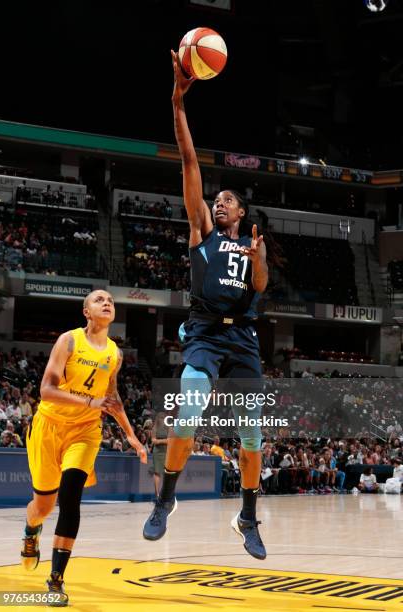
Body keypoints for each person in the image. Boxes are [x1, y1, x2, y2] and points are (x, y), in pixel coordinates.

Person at [142, 51, 269, 559]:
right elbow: (190, 162)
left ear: (243, 211)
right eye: (216, 199)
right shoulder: (203, 233)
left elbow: (260, 285)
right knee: (189, 407)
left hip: (244, 336)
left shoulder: (254, 245)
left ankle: (249, 516)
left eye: (229, 200)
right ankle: (164, 500)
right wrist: (178, 103)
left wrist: (258, 258)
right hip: (204, 330)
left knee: (253, 431)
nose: (220, 202)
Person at [21, 290, 147, 605]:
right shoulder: (69, 341)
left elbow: (112, 400)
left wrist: (131, 435)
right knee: (43, 507)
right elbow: (46, 390)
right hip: (49, 427)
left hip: (86, 430)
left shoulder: (115, 354)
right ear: (86, 311)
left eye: (111, 301)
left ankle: (56, 580)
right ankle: (31, 529)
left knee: (71, 496)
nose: (107, 303)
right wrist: (90, 400)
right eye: (98, 300)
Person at [151, 412, 168, 498]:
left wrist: (159, 441)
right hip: (157, 452)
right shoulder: (155, 428)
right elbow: (153, 441)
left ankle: (165, 493)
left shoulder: (168, 428)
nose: (162, 419)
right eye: (161, 417)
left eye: (164, 418)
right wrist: (164, 440)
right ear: (158, 419)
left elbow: (170, 441)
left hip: (166, 451)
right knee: (157, 472)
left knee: (167, 473)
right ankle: (157, 494)